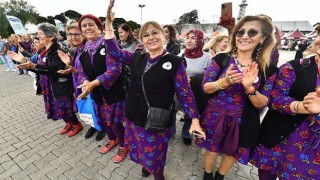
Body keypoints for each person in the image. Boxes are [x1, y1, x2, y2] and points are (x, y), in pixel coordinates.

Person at [104, 0, 205, 179]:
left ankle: (158, 174)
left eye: (155, 33)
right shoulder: (137, 57)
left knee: (155, 156)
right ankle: (146, 166)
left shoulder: (175, 62)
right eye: (146, 35)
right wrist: (109, 23)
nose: (151, 37)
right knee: (141, 150)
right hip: (134, 116)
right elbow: (114, 52)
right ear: (142, 40)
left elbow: (185, 93)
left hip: (156, 120)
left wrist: (195, 119)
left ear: (163, 36)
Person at [194, 15, 277, 180]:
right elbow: (205, 87)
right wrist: (223, 82)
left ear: (263, 39)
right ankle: (207, 175)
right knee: (212, 148)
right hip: (215, 115)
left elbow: (262, 104)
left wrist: (249, 88)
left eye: (252, 32)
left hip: (243, 120)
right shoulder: (221, 59)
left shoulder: (269, 69)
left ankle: (220, 177)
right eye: (241, 32)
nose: (245, 36)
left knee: (232, 152)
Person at [250, 28, 320, 180]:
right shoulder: (295, 67)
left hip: (311, 153)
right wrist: (301, 106)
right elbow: (274, 97)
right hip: (276, 141)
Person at [8, 23, 83, 137]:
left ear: (51, 36)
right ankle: (68, 123)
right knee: (57, 107)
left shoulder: (57, 50)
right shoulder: (43, 50)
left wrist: (33, 67)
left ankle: (76, 124)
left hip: (59, 86)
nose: (37, 37)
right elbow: (35, 64)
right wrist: (23, 60)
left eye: (40, 34)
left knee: (64, 107)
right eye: (37, 34)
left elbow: (55, 70)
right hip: (48, 86)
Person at [76, 14, 128, 163]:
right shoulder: (83, 51)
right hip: (97, 94)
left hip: (113, 92)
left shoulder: (109, 44)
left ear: (99, 27)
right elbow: (82, 71)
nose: (87, 28)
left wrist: (94, 83)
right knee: (104, 120)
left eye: (91, 24)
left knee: (116, 122)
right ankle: (112, 140)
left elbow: (115, 69)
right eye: (84, 26)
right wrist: (86, 82)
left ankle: (123, 144)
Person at [58, 23, 106, 141]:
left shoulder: (90, 48)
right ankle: (93, 126)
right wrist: (71, 69)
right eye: (70, 34)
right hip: (78, 82)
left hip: (92, 84)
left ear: (83, 34)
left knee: (95, 106)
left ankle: (102, 127)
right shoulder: (76, 50)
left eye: (76, 34)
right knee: (87, 106)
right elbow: (79, 70)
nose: (73, 37)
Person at [180, 29, 212, 146]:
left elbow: (211, 77)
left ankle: (186, 134)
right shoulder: (182, 55)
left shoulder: (207, 57)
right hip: (183, 91)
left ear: (199, 40)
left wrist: (193, 80)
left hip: (198, 93)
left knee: (192, 114)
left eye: (193, 38)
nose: (189, 40)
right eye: (188, 37)